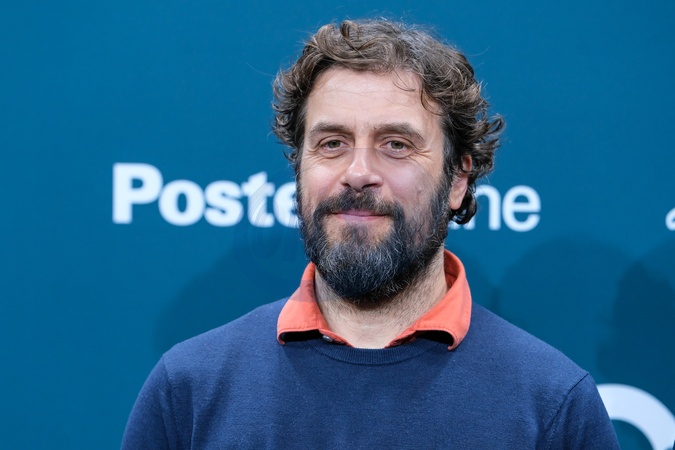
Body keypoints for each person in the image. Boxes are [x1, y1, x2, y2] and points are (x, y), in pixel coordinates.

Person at [122, 19, 619, 448]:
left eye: (396, 144)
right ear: (299, 168)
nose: (358, 173)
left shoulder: (553, 405)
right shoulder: (188, 390)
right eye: (332, 143)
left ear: (457, 179)